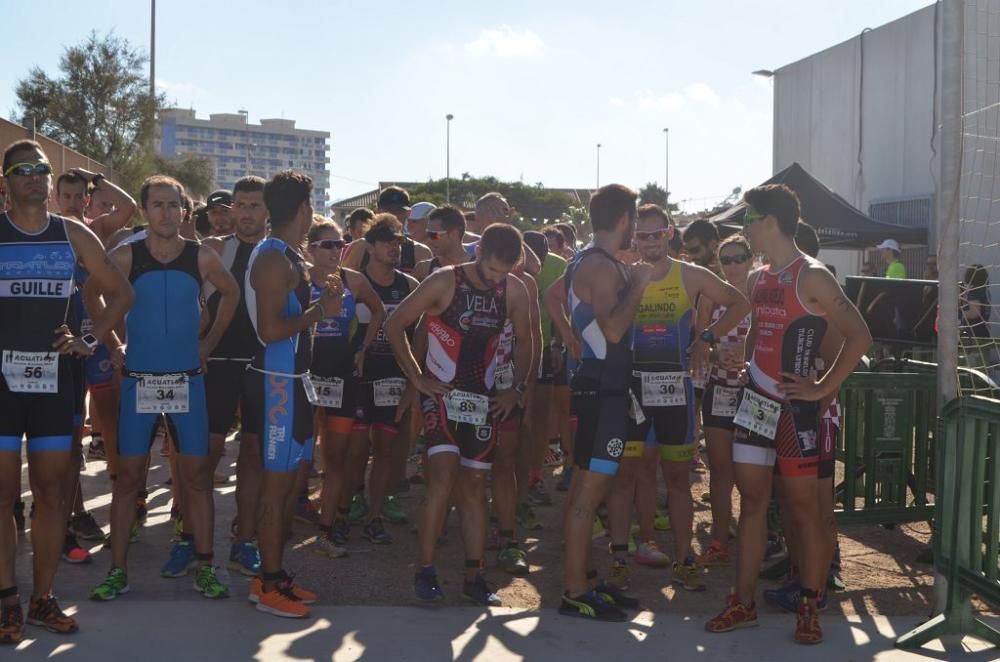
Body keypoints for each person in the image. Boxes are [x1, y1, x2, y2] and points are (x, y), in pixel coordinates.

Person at [705, 184, 871, 645]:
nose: (745, 230)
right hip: (756, 401)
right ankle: (743, 602)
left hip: (798, 410)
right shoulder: (759, 278)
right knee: (752, 504)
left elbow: (860, 337)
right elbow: (762, 327)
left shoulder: (812, 275)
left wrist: (821, 389)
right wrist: (745, 359)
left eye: (749, 221)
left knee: (803, 511)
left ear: (769, 223)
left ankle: (809, 606)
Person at [0, 140, 133, 642]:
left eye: (40, 169)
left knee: (54, 493)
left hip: (56, 383)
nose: (34, 176)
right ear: (6, 181)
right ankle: (7, 600)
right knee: (4, 494)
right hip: (2, 386)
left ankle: (42, 598)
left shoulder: (72, 234)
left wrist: (91, 339)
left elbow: (122, 293)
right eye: (23, 169)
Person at [90, 175, 239, 603]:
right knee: (128, 480)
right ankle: (117, 572)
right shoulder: (125, 255)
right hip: (139, 381)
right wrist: (115, 345)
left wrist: (207, 345)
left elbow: (229, 295)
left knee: (196, 478)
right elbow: (91, 291)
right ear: (144, 211)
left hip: (186, 381)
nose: (166, 213)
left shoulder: (201, 257)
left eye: (174, 205)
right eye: (158, 205)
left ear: (184, 212)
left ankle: (206, 567)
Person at [384, 223, 534, 605]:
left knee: (474, 488)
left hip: (482, 398)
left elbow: (528, 339)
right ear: (478, 252)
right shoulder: (444, 281)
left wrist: (516, 388)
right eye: (492, 269)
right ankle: (426, 570)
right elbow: (395, 324)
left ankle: (474, 574)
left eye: (505, 272)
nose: (496, 279)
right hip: (442, 393)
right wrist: (417, 379)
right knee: (442, 478)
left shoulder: (514, 290)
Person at [607, 203, 749, 593]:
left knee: (677, 480)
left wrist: (706, 338)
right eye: (643, 236)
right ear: (634, 236)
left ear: (670, 233)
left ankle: (685, 559)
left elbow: (740, 303)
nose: (650, 243)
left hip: (675, 390)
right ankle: (620, 556)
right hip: (633, 388)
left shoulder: (689, 275)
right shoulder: (621, 273)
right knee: (626, 477)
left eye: (657, 234)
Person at [542, 184, 664, 621]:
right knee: (586, 497)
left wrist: (571, 335)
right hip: (604, 391)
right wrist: (640, 283)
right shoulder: (605, 267)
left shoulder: (584, 259)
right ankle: (575, 590)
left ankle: (587, 580)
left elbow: (553, 297)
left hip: (594, 386)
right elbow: (614, 331)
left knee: (584, 489)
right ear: (626, 220)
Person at [243, 170, 343, 618]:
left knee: (289, 486)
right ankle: (266, 583)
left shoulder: (288, 256)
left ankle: (276, 574)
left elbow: (293, 321)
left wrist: (321, 304)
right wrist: (323, 309)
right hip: (275, 383)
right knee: (276, 486)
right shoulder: (272, 260)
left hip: (294, 381)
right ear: (302, 209)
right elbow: (269, 331)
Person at [198, 176, 269, 578]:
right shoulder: (212, 252)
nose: (245, 213)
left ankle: (244, 539)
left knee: (254, 455)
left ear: (267, 211)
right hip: (217, 363)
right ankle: (191, 536)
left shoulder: (279, 255)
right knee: (205, 455)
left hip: (260, 364)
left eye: (254, 206)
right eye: (240, 205)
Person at [308, 219, 385, 558]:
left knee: (335, 458)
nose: (334, 251)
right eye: (326, 245)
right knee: (299, 457)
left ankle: (330, 525)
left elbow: (379, 311)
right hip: (305, 376)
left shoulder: (353, 280)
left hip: (341, 376)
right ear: (311, 249)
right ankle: (287, 516)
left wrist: (362, 349)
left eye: (339, 245)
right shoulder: (299, 278)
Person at [345, 216, 419, 538]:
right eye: (388, 242)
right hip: (358, 376)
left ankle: (376, 513)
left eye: (399, 243)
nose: (394, 248)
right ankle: (352, 501)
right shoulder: (352, 282)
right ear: (370, 247)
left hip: (394, 376)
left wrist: (415, 383)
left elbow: (421, 337)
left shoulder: (410, 286)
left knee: (387, 448)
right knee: (356, 448)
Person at [698, 235, 754, 566]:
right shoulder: (712, 295)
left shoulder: (761, 292)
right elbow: (699, 344)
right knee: (720, 471)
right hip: (720, 388)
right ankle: (719, 539)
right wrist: (717, 353)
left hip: (755, 391)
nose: (733, 265)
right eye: (726, 259)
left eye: (739, 258)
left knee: (753, 474)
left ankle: (754, 539)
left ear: (750, 258)